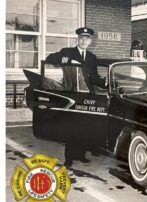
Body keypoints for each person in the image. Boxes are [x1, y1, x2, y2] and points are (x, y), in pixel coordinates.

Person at [45, 27, 102, 167]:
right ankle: (69, 159)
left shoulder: (92, 57)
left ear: (90, 41)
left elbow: (94, 78)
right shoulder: (67, 52)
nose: (84, 41)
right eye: (81, 38)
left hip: (86, 96)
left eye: (86, 38)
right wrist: (61, 59)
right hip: (71, 95)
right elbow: (49, 59)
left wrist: (104, 82)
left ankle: (81, 156)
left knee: (84, 127)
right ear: (78, 39)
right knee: (71, 127)